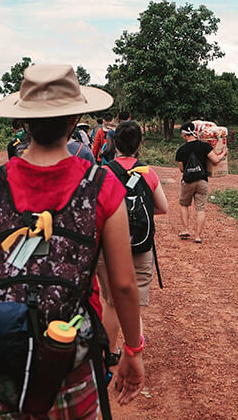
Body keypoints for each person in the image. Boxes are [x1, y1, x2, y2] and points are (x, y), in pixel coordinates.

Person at [0, 64, 145, 419]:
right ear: (75, 119)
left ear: (23, 122)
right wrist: (133, 348)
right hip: (70, 362)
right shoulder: (102, 185)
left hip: (0, 364)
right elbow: (124, 285)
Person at [96, 120, 168, 365]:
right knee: (133, 302)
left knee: (110, 301)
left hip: (109, 248)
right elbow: (163, 207)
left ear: (114, 143)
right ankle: (133, 353)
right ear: (139, 144)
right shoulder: (148, 172)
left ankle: (110, 352)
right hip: (140, 245)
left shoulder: (103, 173)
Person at [174, 121, 227, 244]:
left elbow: (182, 169)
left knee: (184, 205)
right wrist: (223, 153)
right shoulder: (204, 146)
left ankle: (186, 229)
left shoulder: (181, 150)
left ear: (184, 135)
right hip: (202, 180)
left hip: (188, 181)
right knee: (200, 209)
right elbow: (215, 160)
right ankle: (198, 236)